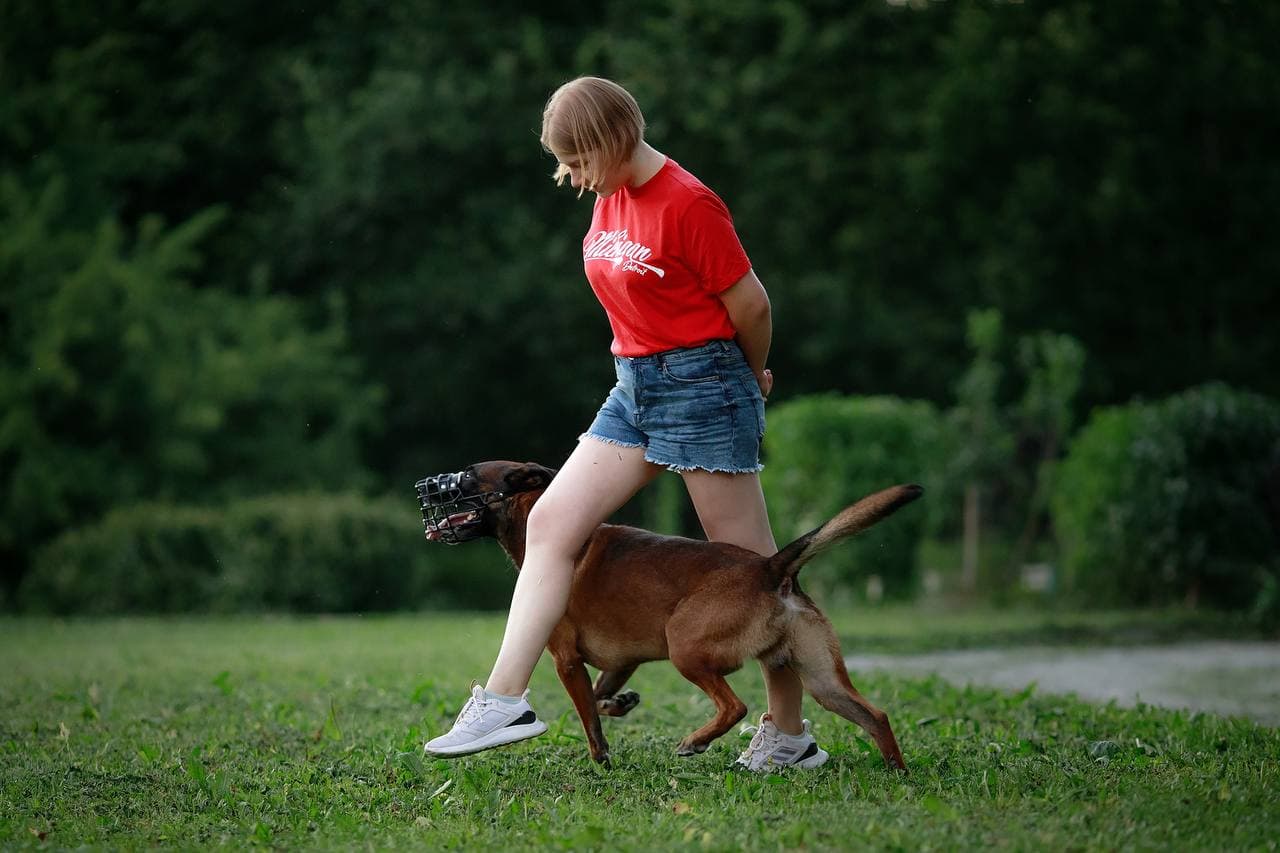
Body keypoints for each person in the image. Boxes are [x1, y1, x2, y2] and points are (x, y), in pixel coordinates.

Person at [425, 76, 827, 771]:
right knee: (551, 523)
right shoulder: (612, 196)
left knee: (759, 575)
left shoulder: (688, 203)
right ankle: (503, 699)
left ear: (608, 142)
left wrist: (750, 377)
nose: (573, 179)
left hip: (705, 388)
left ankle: (789, 734)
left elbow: (752, 304)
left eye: (578, 162)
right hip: (635, 388)